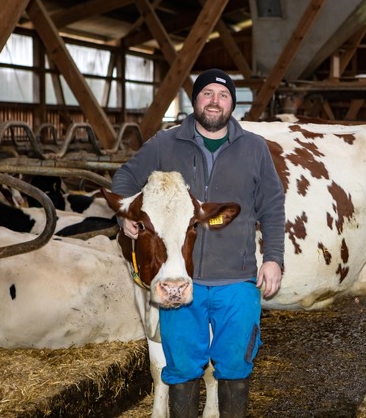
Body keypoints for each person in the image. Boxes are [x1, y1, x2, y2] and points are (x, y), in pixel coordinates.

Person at [111, 68, 285, 417]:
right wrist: (125, 216)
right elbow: (124, 178)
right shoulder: (166, 142)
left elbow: (272, 204)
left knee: (236, 366)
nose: (214, 102)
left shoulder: (253, 148)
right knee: (182, 369)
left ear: (232, 102)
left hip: (236, 280)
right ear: (196, 100)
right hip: (179, 281)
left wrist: (274, 258)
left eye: (222, 95)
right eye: (207, 94)